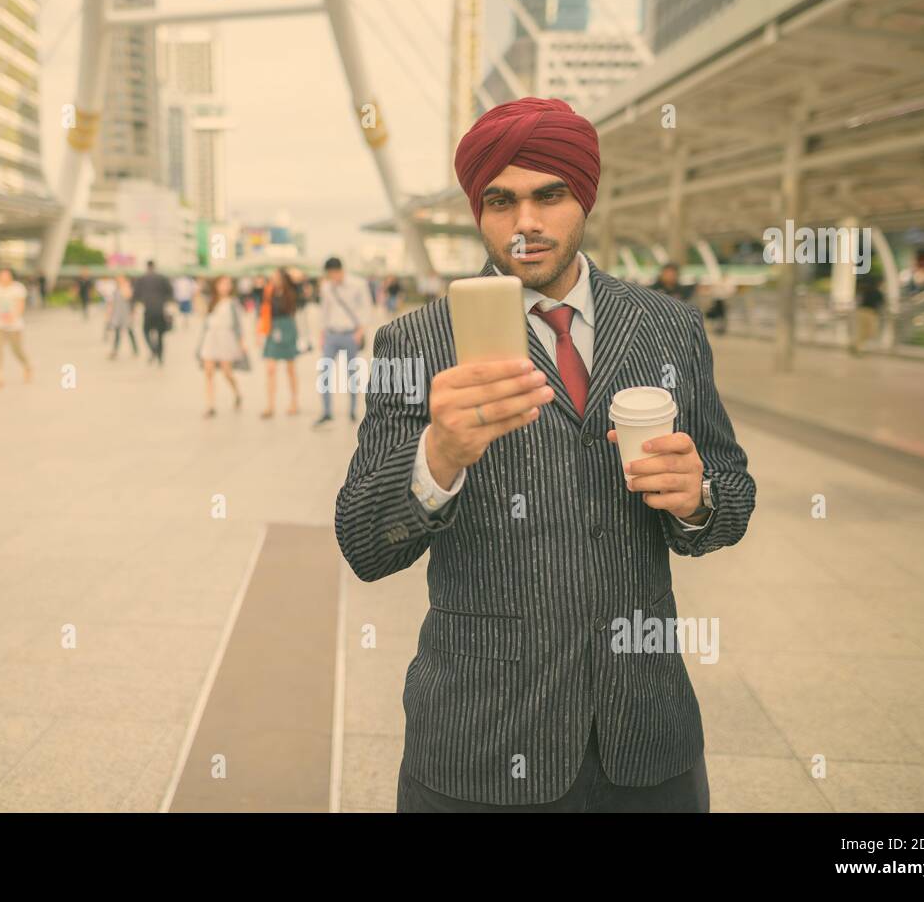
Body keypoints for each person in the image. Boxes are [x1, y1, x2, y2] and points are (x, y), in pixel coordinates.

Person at [335, 97, 755, 813]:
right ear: (478, 211)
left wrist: (698, 498)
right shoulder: (416, 343)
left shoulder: (668, 327)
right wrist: (437, 456)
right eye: (500, 201)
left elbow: (733, 494)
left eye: (547, 195)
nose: (525, 222)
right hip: (481, 741)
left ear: (582, 198)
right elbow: (365, 542)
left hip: (647, 737)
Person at [313, 257, 370, 427]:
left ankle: (352, 410)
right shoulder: (326, 287)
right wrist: (322, 333)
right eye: (329, 274)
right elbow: (324, 310)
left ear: (340, 271)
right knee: (324, 372)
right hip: (331, 334)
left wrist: (360, 331)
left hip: (350, 334)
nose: (332, 277)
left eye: (333, 273)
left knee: (351, 373)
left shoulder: (357, 284)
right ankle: (327, 412)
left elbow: (367, 307)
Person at [197, 274, 245, 417]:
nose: (225, 287)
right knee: (209, 372)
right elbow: (203, 317)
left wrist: (242, 342)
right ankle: (210, 405)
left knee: (226, 371)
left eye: (227, 284)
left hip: (226, 338)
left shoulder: (233, 303)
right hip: (211, 338)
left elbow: (238, 324)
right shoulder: (212, 301)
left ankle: (237, 392)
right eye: (222, 283)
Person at [257, 267, 301, 418]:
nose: (274, 279)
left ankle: (294, 402)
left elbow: (302, 294)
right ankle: (270, 405)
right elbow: (263, 310)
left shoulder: (291, 291)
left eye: (276, 277)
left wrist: (297, 278)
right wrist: (260, 333)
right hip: (273, 328)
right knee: (270, 369)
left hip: (288, 327)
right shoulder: (268, 291)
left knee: (290, 368)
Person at [0, 267, 31, 389]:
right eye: (1, 276)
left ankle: (27, 366)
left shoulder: (18, 288)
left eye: (6, 275)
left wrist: (14, 316)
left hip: (15, 325)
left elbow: (21, 305)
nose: (3, 278)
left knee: (16, 350)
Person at [132, 259, 174, 364]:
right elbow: (170, 292)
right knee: (160, 334)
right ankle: (160, 356)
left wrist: (138, 304)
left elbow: (136, 294)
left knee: (146, 331)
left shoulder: (141, 279)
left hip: (148, 309)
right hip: (160, 309)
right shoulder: (162, 278)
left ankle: (153, 349)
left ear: (147, 266)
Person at [850, 274, 884, 356]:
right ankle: (858, 348)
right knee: (867, 332)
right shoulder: (877, 293)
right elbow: (882, 303)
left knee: (863, 331)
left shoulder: (866, 290)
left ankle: (856, 345)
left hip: (862, 312)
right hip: (869, 313)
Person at [106, 273, 139, 359]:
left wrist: (124, 287)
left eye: (120, 279)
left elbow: (129, 298)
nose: (118, 280)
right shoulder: (115, 289)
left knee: (130, 331)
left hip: (126, 313)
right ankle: (115, 351)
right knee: (117, 333)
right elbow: (112, 302)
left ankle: (135, 349)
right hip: (117, 314)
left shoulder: (127, 288)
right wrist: (109, 314)